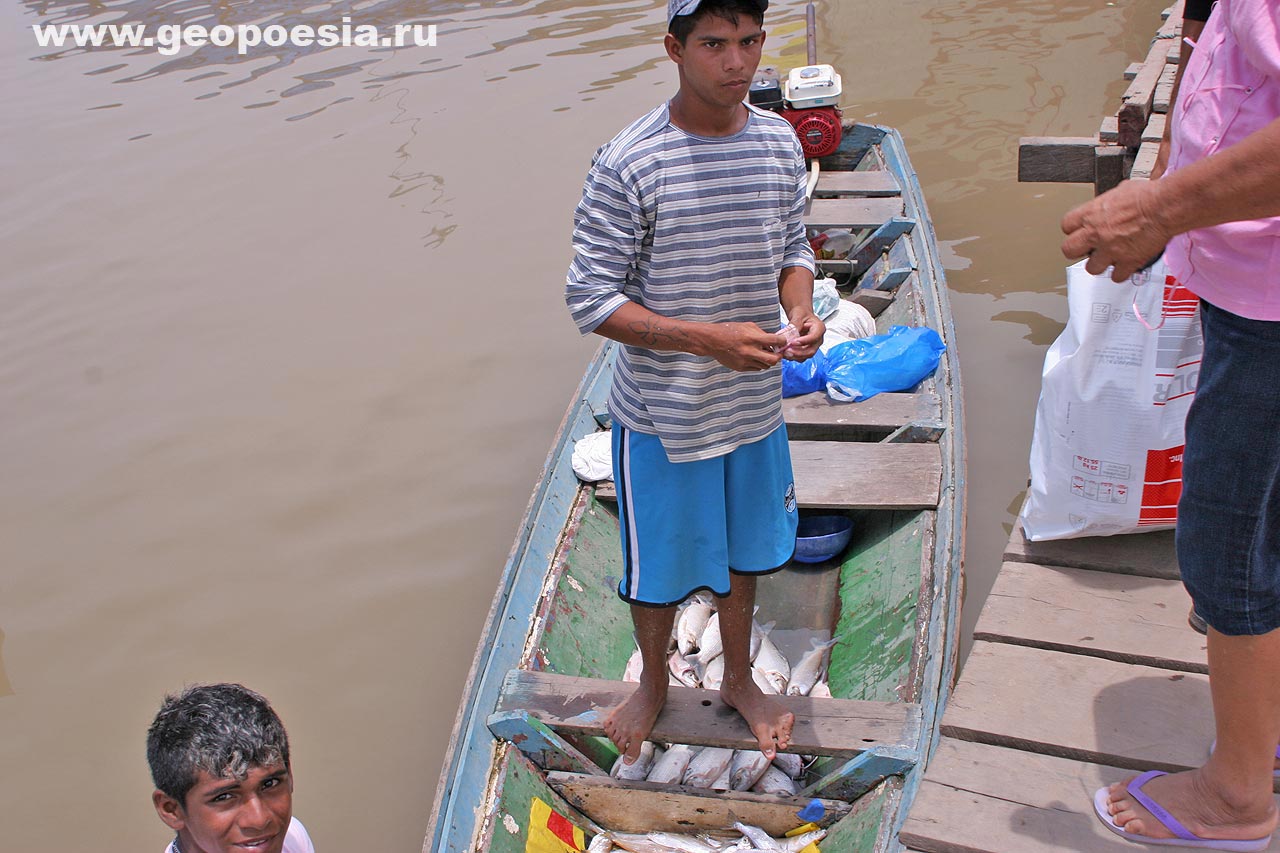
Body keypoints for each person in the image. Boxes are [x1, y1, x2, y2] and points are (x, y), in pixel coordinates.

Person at [564, 0, 823, 763]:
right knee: (658, 569)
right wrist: (707, 341)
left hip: (752, 405)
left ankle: (740, 677)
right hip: (662, 415)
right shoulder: (629, 161)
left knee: (747, 554)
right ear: (675, 48)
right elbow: (592, 299)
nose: (735, 63)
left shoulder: (777, 140)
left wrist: (801, 308)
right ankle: (651, 685)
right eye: (713, 44)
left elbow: (793, 245)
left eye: (747, 43)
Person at [1061, 0, 1280, 848]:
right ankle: (1263, 732)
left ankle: (1237, 796)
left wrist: (1159, 209)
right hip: (1247, 282)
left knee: (1230, 537)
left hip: (1270, 306)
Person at [147, 683, 316, 853]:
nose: (259, 820)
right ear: (171, 810)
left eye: (270, 784)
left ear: (290, 776)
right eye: (224, 797)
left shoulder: (293, 840)